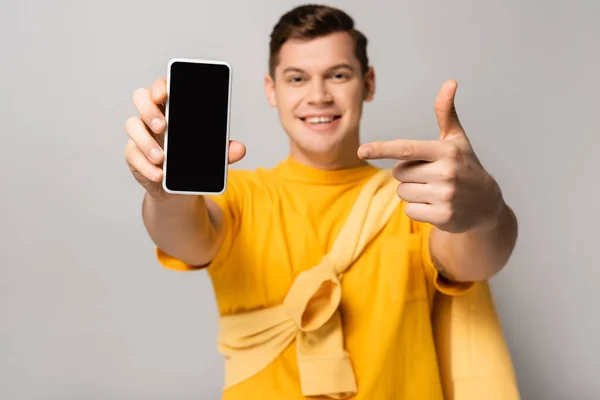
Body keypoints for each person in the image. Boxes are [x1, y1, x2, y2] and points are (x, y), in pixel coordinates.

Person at [124, 4, 518, 400]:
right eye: (297, 78)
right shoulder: (240, 197)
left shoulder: (414, 197)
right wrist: (162, 190)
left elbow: (476, 261)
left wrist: (487, 211)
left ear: (368, 83)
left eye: (338, 75)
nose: (318, 96)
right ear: (270, 89)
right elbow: (184, 238)